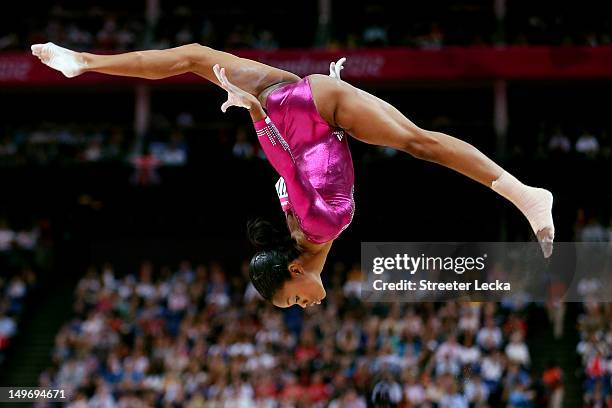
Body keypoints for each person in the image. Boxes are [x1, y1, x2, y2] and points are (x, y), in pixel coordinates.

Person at [31, 42, 555, 308]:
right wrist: (264, 110)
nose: (304, 306)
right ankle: (82, 60)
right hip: (300, 105)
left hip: (312, 112)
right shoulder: (301, 229)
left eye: (293, 301)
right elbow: (291, 171)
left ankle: (526, 195)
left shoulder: (319, 230)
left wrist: (258, 115)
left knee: (420, 143)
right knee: (192, 58)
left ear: (296, 274)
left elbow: (287, 162)